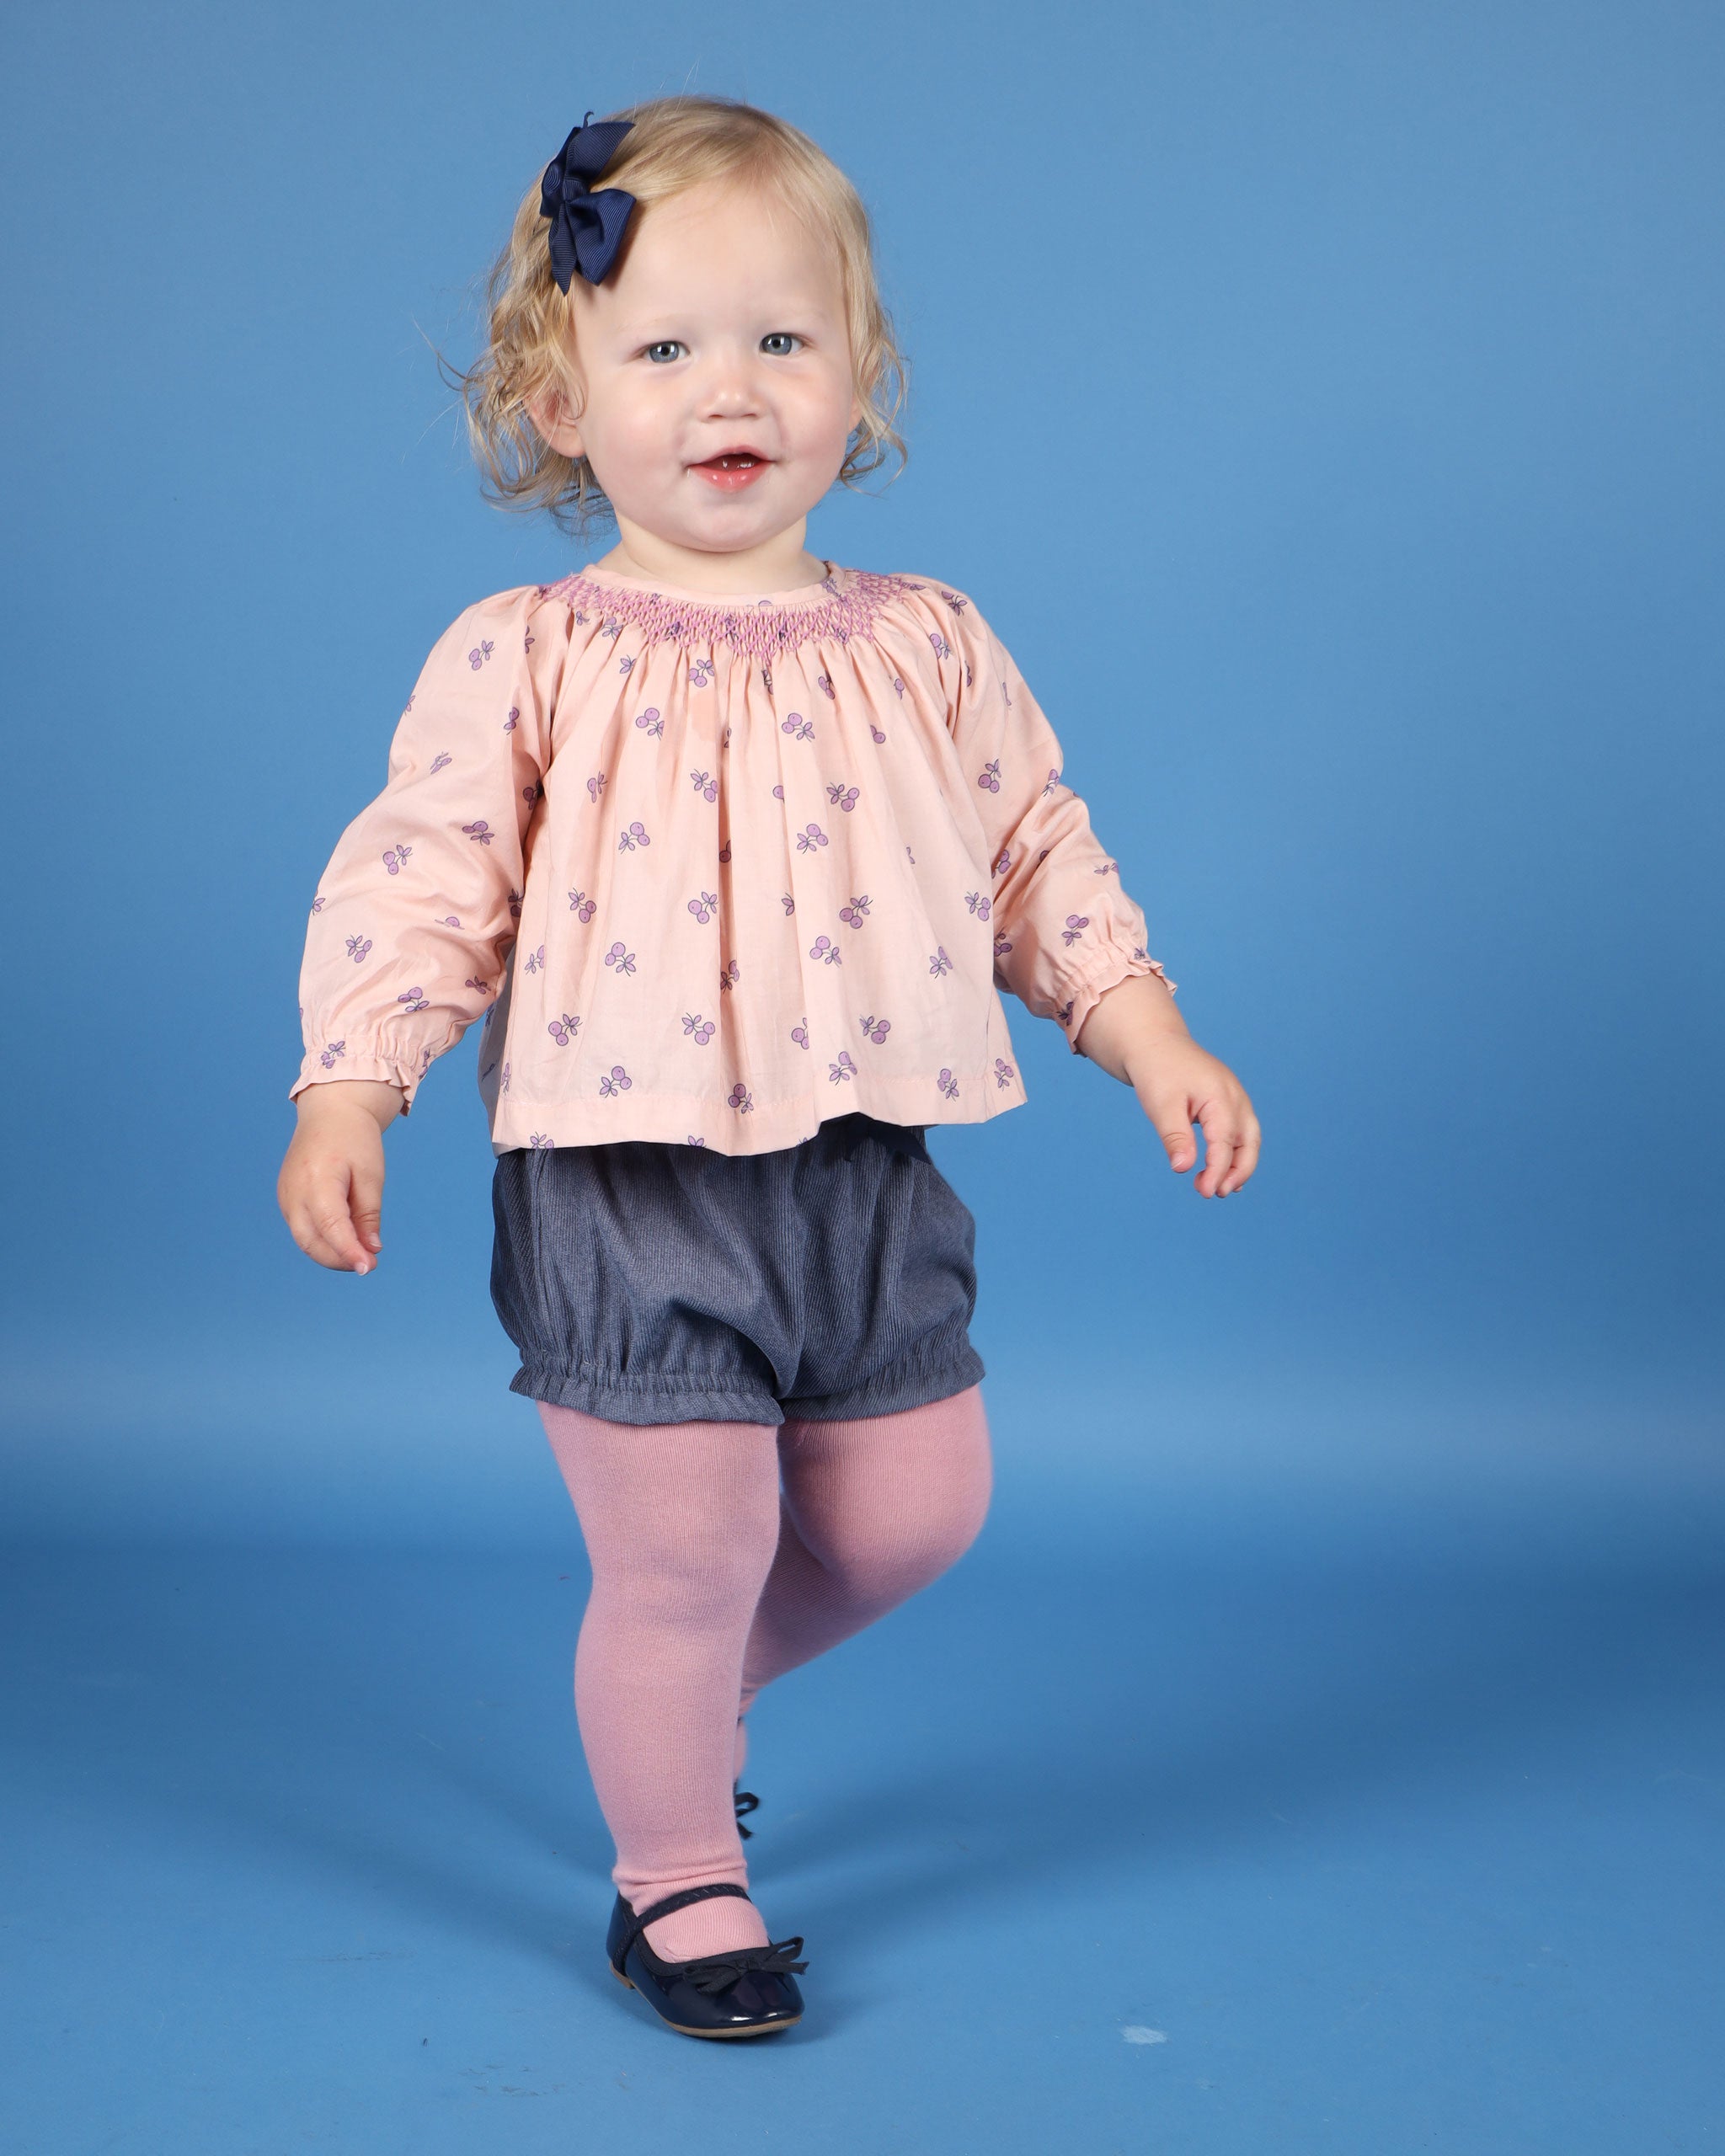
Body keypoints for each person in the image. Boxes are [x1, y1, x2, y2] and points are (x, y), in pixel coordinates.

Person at [277, 93, 1260, 2041]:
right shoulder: (526, 652)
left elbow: (1032, 849)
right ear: (561, 399)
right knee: (690, 1544)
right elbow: (424, 877)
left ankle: (686, 1692)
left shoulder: (928, 641)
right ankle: (678, 1878)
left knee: (912, 1512)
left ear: (857, 374)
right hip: (621, 1179)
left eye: (779, 341)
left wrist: (1144, 1026)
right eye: (661, 348)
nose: (726, 389)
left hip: (860, 1163)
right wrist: (353, 1082)